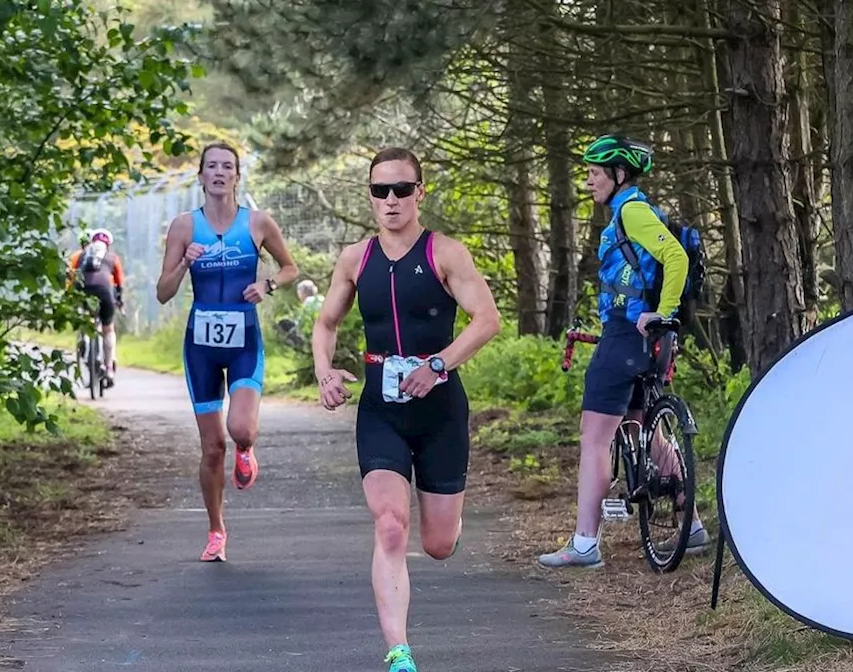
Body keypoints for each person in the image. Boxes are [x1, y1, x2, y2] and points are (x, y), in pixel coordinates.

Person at [312, 147, 501, 672]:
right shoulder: (355, 259)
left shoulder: (446, 253)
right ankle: (399, 651)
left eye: (401, 190)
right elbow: (326, 324)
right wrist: (325, 371)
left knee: (437, 545)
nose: (390, 201)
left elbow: (486, 320)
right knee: (391, 525)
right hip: (381, 410)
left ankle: (449, 525)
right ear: (370, 196)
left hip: (440, 410)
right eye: (380, 191)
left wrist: (438, 365)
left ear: (420, 193)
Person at [538, 134, 709, 570]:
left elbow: (675, 258)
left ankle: (584, 544)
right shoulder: (631, 212)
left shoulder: (631, 211)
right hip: (648, 339)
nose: (589, 181)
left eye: (595, 174)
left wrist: (661, 312)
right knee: (639, 424)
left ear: (617, 175)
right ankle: (691, 527)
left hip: (628, 335)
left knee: (594, 437)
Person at [156, 142, 299, 562]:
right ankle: (216, 530)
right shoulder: (184, 227)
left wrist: (267, 285)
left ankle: (248, 450)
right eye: (211, 167)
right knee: (211, 446)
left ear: (237, 176)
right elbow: (163, 293)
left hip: (243, 339)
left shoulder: (257, 223)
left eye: (227, 167)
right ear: (200, 177)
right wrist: (184, 263)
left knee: (240, 430)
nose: (219, 173)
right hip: (200, 344)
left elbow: (290, 268)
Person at [68, 227, 125, 386]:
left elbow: (71, 276)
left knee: (85, 320)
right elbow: (119, 281)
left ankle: (85, 343)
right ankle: (109, 367)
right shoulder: (112, 257)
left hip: (83, 292)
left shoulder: (79, 255)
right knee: (108, 329)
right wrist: (119, 299)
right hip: (105, 293)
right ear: (109, 245)